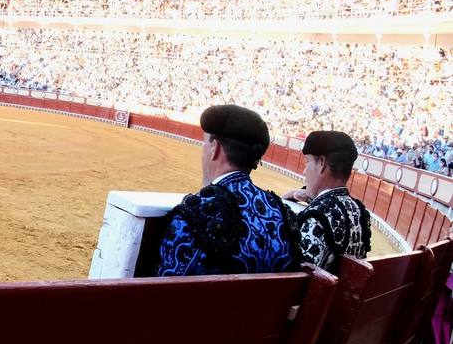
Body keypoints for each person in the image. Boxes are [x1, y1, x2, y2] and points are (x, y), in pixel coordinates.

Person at [156, 105, 298, 276]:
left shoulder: (197, 212)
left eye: (205, 143)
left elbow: (166, 292)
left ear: (214, 148)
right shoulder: (282, 213)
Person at [281, 130, 371, 273]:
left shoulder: (317, 216)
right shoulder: (359, 210)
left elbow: (295, 276)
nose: (304, 171)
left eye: (307, 162)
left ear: (322, 163)